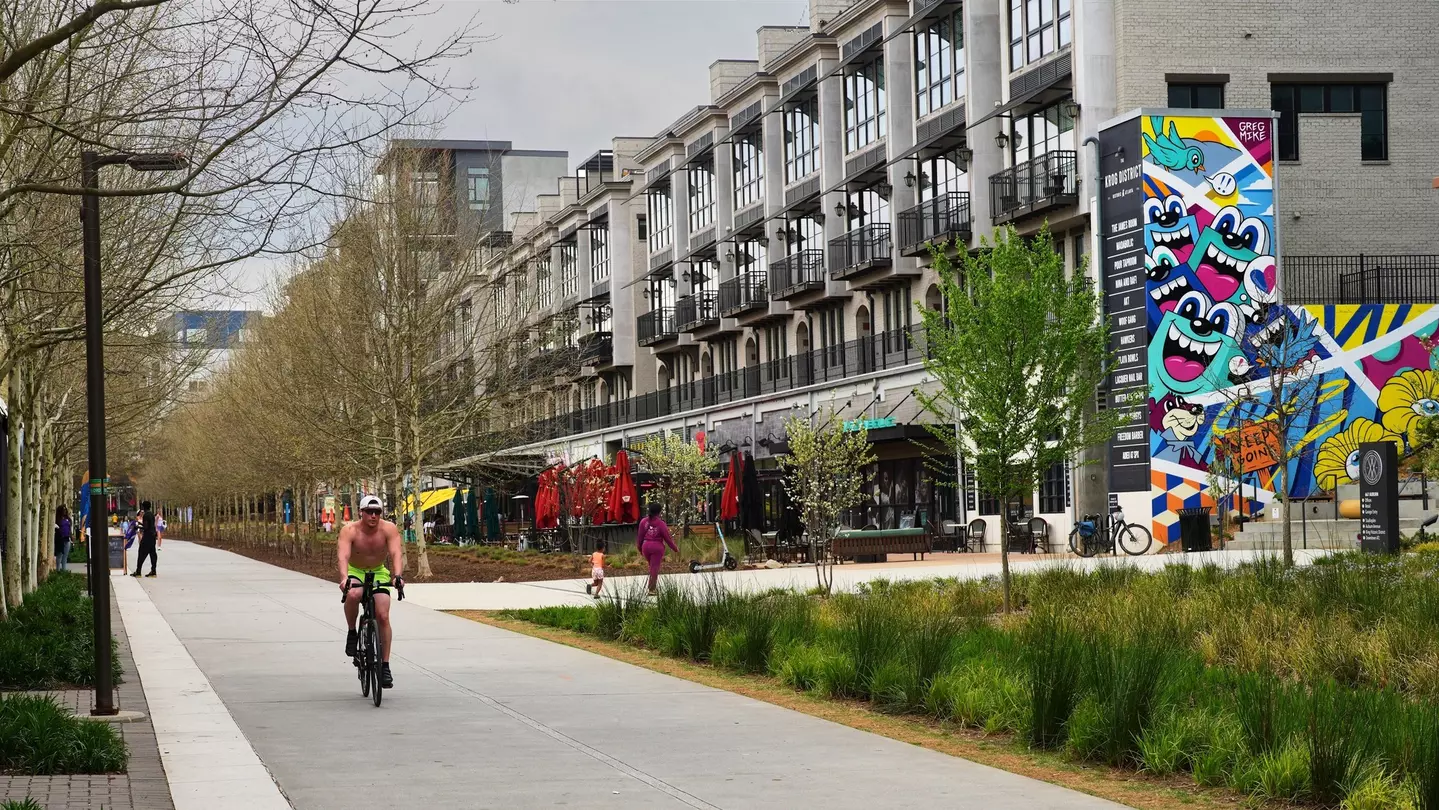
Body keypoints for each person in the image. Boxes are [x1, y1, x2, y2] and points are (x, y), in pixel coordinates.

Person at [338, 494, 404, 689]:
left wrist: (398, 575)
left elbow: (395, 553)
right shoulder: (349, 530)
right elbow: (343, 556)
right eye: (369, 512)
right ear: (361, 512)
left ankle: (385, 665)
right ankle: (352, 632)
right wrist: (344, 578)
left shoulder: (388, 529)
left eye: (377, 512)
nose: (373, 516)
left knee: (383, 616)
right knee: (354, 594)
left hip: (378, 572)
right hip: (355, 571)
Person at [636, 504, 677, 596]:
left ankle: (652, 586)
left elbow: (640, 536)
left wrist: (639, 548)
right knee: (654, 568)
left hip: (645, 547)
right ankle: (652, 589)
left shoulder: (643, 522)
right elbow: (667, 538)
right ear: (659, 512)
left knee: (651, 566)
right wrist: (675, 549)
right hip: (657, 547)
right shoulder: (661, 523)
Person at [131, 501, 160, 578]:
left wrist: (138, 527)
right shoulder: (151, 514)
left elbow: (146, 527)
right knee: (152, 553)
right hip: (152, 536)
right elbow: (150, 525)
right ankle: (153, 571)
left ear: (143, 507)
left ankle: (138, 571)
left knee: (141, 553)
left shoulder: (146, 515)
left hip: (147, 537)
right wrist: (140, 524)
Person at [54, 506, 73, 572]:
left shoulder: (68, 519)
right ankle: (58, 570)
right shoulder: (57, 519)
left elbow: (69, 528)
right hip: (60, 539)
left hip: (67, 538)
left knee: (65, 555)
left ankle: (64, 570)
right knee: (60, 555)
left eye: (65, 509)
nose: (64, 511)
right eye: (63, 510)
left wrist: (71, 536)